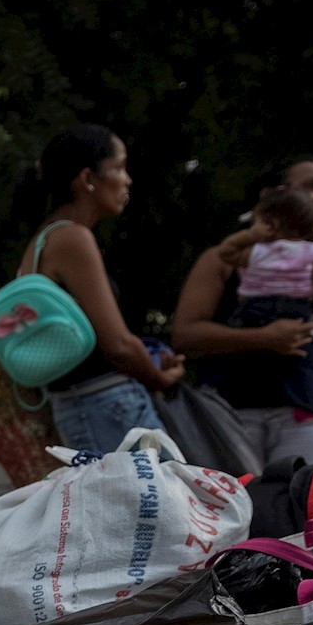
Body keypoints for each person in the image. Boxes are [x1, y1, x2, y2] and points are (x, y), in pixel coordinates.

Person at [171, 156, 313, 466]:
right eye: (312, 187)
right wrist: (263, 337)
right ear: (271, 197)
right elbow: (185, 335)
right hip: (234, 414)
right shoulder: (228, 259)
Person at [16, 125, 184, 453]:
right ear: (88, 179)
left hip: (83, 406)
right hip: (106, 406)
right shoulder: (72, 238)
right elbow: (118, 345)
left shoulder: (42, 240)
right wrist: (158, 377)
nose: (128, 180)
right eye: (119, 167)